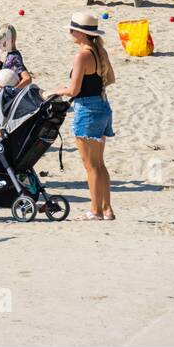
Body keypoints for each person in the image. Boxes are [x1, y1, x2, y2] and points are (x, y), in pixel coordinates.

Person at [55, 12, 117, 220]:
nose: (70, 33)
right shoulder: (100, 51)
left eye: (72, 30)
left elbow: (73, 90)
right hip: (102, 106)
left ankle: (96, 210)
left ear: (80, 33)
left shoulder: (82, 55)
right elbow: (110, 78)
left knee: (90, 165)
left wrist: (55, 91)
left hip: (87, 110)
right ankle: (107, 209)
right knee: (99, 163)